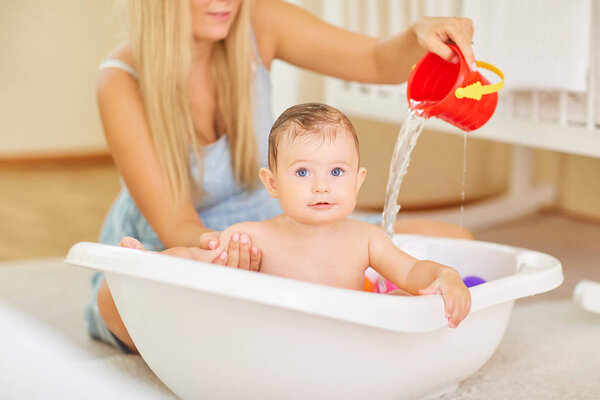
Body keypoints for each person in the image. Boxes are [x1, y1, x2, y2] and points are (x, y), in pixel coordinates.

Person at [87, 0, 475, 353]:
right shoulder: (122, 80)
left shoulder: (257, 20)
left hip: (298, 214)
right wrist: (227, 252)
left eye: (337, 172)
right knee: (116, 299)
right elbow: (178, 228)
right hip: (200, 234)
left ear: (356, 179)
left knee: (455, 243)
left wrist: (417, 35)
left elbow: (374, 60)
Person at [121, 103, 472, 340]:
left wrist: (447, 277)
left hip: (345, 346)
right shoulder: (253, 237)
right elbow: (195, 259)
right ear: (272, 183)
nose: (322, 185)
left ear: (358, 180)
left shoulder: (367, 239)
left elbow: (412, 273)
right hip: (277, 348)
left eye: (337, 171)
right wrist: (147, 264)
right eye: (302, 172)